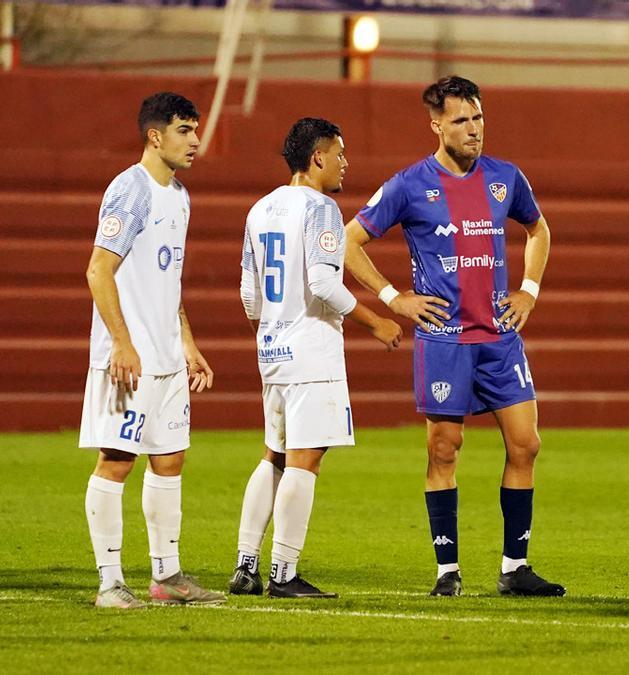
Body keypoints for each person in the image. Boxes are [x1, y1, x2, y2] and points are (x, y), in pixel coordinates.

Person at [343, 76, 564, 598]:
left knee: (526, 444)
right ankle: (448, 570)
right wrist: (394, 297)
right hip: (444, 340)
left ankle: (515, 567)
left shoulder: (506, 178)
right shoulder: (408, 184)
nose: (474, 129)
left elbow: (539, 229)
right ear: (436, 124)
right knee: (445, 448)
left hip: (499, 338)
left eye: (479, 117)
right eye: (461, 120)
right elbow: (350, 240)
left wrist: (529, 290)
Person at [227, 118, 403, 599]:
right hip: (311, 352)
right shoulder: (322, 208)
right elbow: (324, 283)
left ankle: (246, 565)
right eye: (340, 154)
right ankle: (283, 572)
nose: (346, 163)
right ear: (317, 157)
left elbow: (249, 296)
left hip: (273, 349)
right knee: (306, 459)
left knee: (275, 456)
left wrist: (272, 330)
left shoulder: (259, 210)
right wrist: (378, 323)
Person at [80, 92, 223, 609]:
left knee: (169, 460)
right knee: (117, 460)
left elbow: (170, 280)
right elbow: (99, 270)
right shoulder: (130, 190)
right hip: (129, 359)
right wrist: (122, 343)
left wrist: (187, 342)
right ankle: (110, 583)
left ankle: (166, 579)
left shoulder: (180, 196)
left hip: (165, 359)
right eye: (185, 129)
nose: (195, 140)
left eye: (196, 129)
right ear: (155, 135)